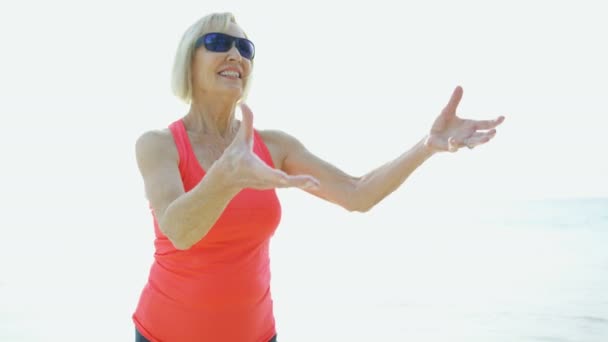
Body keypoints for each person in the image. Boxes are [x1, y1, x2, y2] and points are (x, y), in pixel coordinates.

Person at [131, 12, 505, 342]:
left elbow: (357, 194)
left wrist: (427, 146)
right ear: (188, 61)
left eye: (245, 47)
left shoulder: (275, 145)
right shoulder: (159, 145)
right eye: (218, 42)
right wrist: (225, 178)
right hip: (164, 334)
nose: (236, 55)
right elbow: (179, 231)